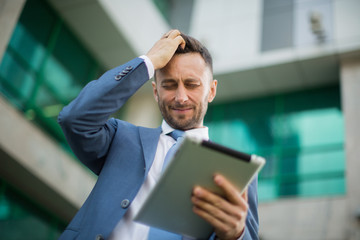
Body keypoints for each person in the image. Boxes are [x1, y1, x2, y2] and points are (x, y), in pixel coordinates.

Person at [58, 29, 259, 240]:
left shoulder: (237, 171)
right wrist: (149, 62)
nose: (181, 97)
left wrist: (236, 235)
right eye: (169, 85)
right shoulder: (120, 138)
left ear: (211, 90)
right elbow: (74, 119)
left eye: (192, 85)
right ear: (155, 91)